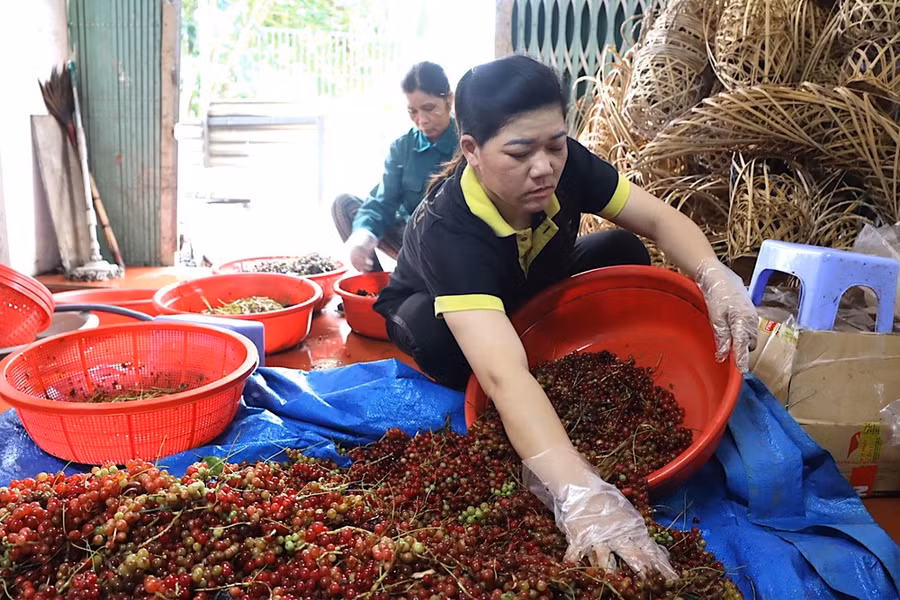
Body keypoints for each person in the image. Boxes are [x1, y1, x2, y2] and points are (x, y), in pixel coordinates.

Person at [373, 55, 758, 578]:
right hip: (444, 304)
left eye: (555, 144)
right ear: (472, 152)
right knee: (443, 345)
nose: (544, 167)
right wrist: (578, 488)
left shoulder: (564, 166)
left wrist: (715, 275)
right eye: (519, 152)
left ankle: (530, 333)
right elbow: (504, 376)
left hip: (525, 281)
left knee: (621, 245)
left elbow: (659, 217)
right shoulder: (451, 230)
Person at [332, 61, 459, 272]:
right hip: (412, 240)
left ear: (449, 100)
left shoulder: (467, 142)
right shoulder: (403, 147)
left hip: (457, 246)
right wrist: (364, 235)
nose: (422, 120)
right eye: (413, 112)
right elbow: (383, 201)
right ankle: (377, 287)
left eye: (429, 108)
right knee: (344, 206)